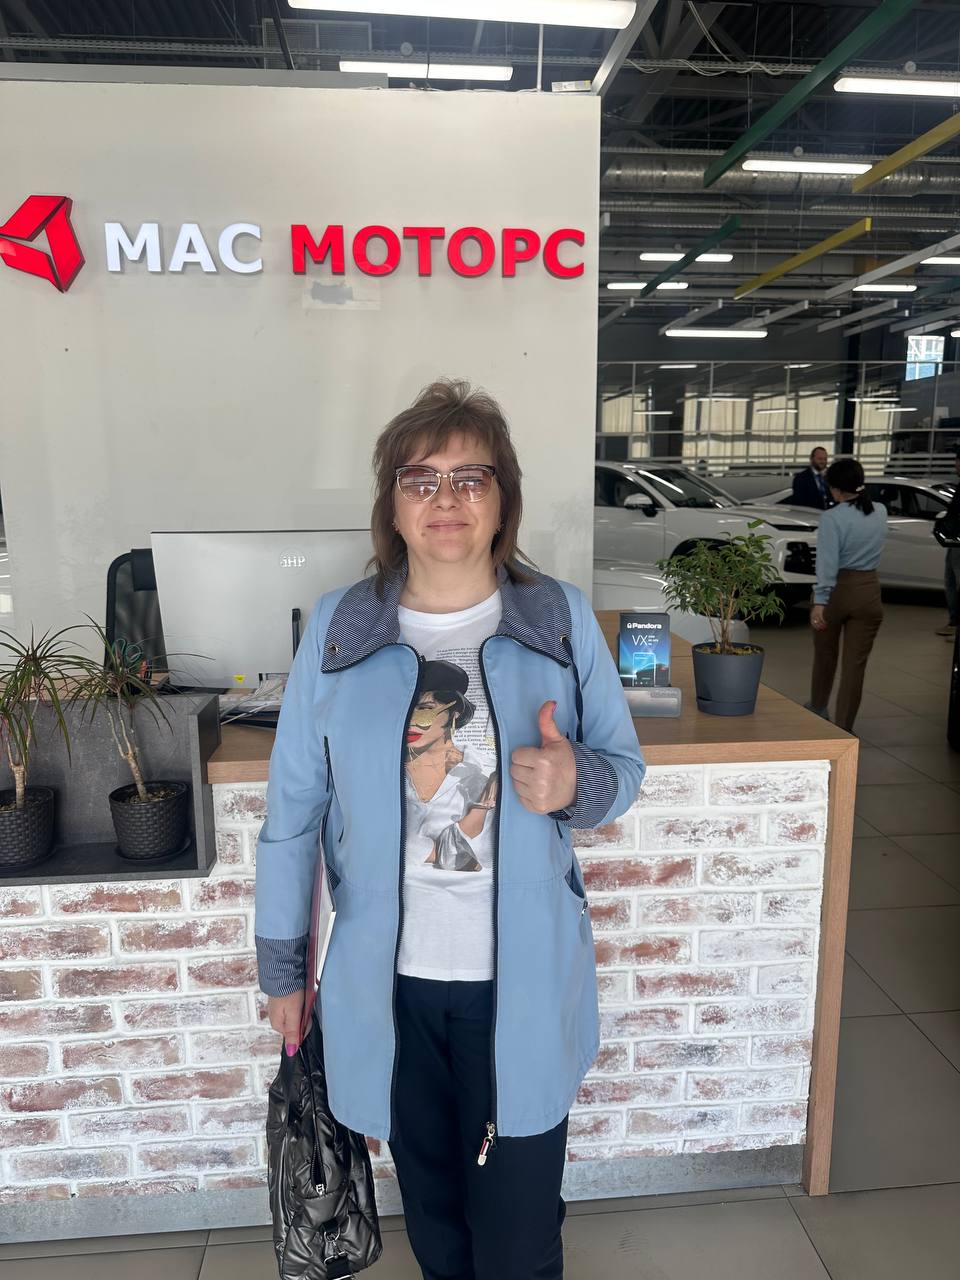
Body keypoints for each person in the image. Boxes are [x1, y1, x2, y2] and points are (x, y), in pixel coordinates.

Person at [255, 379, 645, 1280]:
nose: (446, 499)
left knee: (516, 1235)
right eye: (420, 479)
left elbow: (622, 770)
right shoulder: (342, 628)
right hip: (387, 985)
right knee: (434, 1220)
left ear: (503, 499)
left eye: (471, 477)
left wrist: (574, 782)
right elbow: (293, 812)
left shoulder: (557, 618)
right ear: (391, 504)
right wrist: (284, 970)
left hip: (521, 979)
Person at [806, 458, 888, 733]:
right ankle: (844, 728)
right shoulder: (880, 511)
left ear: (836, 488)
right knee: (855, 666)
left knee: (825, 655)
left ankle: (818, 708)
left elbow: (827, 563)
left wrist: (820, 602)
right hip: (869, 591)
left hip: (837, 593)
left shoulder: (832, 517)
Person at [935, 448, 960, 638]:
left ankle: (956, 624)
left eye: (958, 461)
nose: (956, 465)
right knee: (951, 580)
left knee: (955, 582)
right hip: (954, 541)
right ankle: (954, 622)